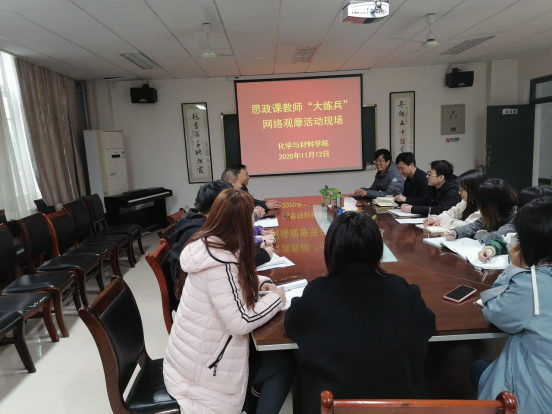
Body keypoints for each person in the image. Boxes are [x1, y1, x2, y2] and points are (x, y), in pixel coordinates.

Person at [284, 212, 435, 414]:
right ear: (377, 249)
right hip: (401, 408)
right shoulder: (400, 288)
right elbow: (428, 323)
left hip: (335, 407)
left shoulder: (318, 291)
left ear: (332, 250)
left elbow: (292, 323)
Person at [164, 189, 295, 414]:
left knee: (273, 357)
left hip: (189, 360)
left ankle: (252, 399)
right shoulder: (220, 262)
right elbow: (240, 322)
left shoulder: (209, 245)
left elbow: (232, 280)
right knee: (283, 363)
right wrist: (276, 298)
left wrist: (261, 283)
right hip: (205, 373)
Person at [471, 197, 552, 414]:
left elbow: (494, 310)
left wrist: (513, 269)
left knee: (478, 368)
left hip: (535, 397)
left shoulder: (533, 284)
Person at [169, 181, 273, 285]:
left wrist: (258, 245)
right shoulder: (202, 233)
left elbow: (231, 250)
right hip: (193, 288)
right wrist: (263, 255)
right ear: (222, 206)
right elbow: (227, 262)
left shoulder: (200, 221)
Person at [478, 186, 552, 262]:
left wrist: (515, 264)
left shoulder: (544, 252)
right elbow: (505, 242)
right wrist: (490, 249)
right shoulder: (523, 236)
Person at [445, 179, 516, 243]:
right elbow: (474, 226)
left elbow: (496, 238)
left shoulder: (516, 218)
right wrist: (456, 232)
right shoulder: (492, 214)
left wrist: (479, 234)